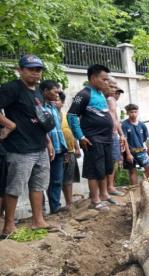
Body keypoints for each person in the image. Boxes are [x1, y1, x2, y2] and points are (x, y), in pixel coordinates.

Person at [0, 55, 59, 236]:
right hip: (20, 147)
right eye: (31, 69)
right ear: (20, 70)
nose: (35, 73)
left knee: (39, 185)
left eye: (38, 69)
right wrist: (10, 125)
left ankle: (38, 220)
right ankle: (9, 225)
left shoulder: (39, 92)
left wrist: (48, 142)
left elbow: (41, 118)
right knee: (15, 187)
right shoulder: (11, 88)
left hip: (39, 146)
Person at [67, 64, 114, 212]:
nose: (107, 82)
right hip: (93, 139)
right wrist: (80, 136)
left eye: (107, 80)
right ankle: (95, 200)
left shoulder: (100, 94)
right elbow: (71, 115)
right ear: (93, 78)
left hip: (106, 138)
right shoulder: (84, 94)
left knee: (106, 168)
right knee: (94, 170)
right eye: (104, 79)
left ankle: (105, 194)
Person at [41, 80, 68, 214]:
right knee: (40, 181)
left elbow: (58, 129)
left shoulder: (54, 107)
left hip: (59, 148)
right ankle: (40, 211)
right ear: (45, 91)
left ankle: (55, 208)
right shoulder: (39, 106)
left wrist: (65, 148)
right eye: (55, 92)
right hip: (44, 149)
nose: (58, 94)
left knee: (57, 180)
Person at [57, 92, 81, 210]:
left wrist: (77, 148)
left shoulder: (66, 116)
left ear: (62, 102)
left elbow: (72, 133)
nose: (55, 102)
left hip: (70, 151)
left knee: (68, 179)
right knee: (56, 179)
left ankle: (69, 202)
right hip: (57, 153)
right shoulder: (48, 115)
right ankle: (54, 206)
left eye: (58, 100)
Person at [104, 78, 126, 198]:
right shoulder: (108, 99)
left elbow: (116, 119)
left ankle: (110, 186)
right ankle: (109, 187)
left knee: (114, 161)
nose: (116, 94)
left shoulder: (112, 101)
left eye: (118, 92)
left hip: (113, 134)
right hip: (108, 135)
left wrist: (121, 134)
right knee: (110, 161)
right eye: (114, 90)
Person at [122, 104, 149, 185]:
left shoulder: (142, 125)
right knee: (132, 171)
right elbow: (124, 140)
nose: (133, 114)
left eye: (135, 112)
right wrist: (128, 154)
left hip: (141, 150)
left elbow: (144, 138)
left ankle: (144, 185)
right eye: (131, 112)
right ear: (127, 113)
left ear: (138, 112)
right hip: (130, 151)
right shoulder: (124, 125)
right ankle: (135, 188)